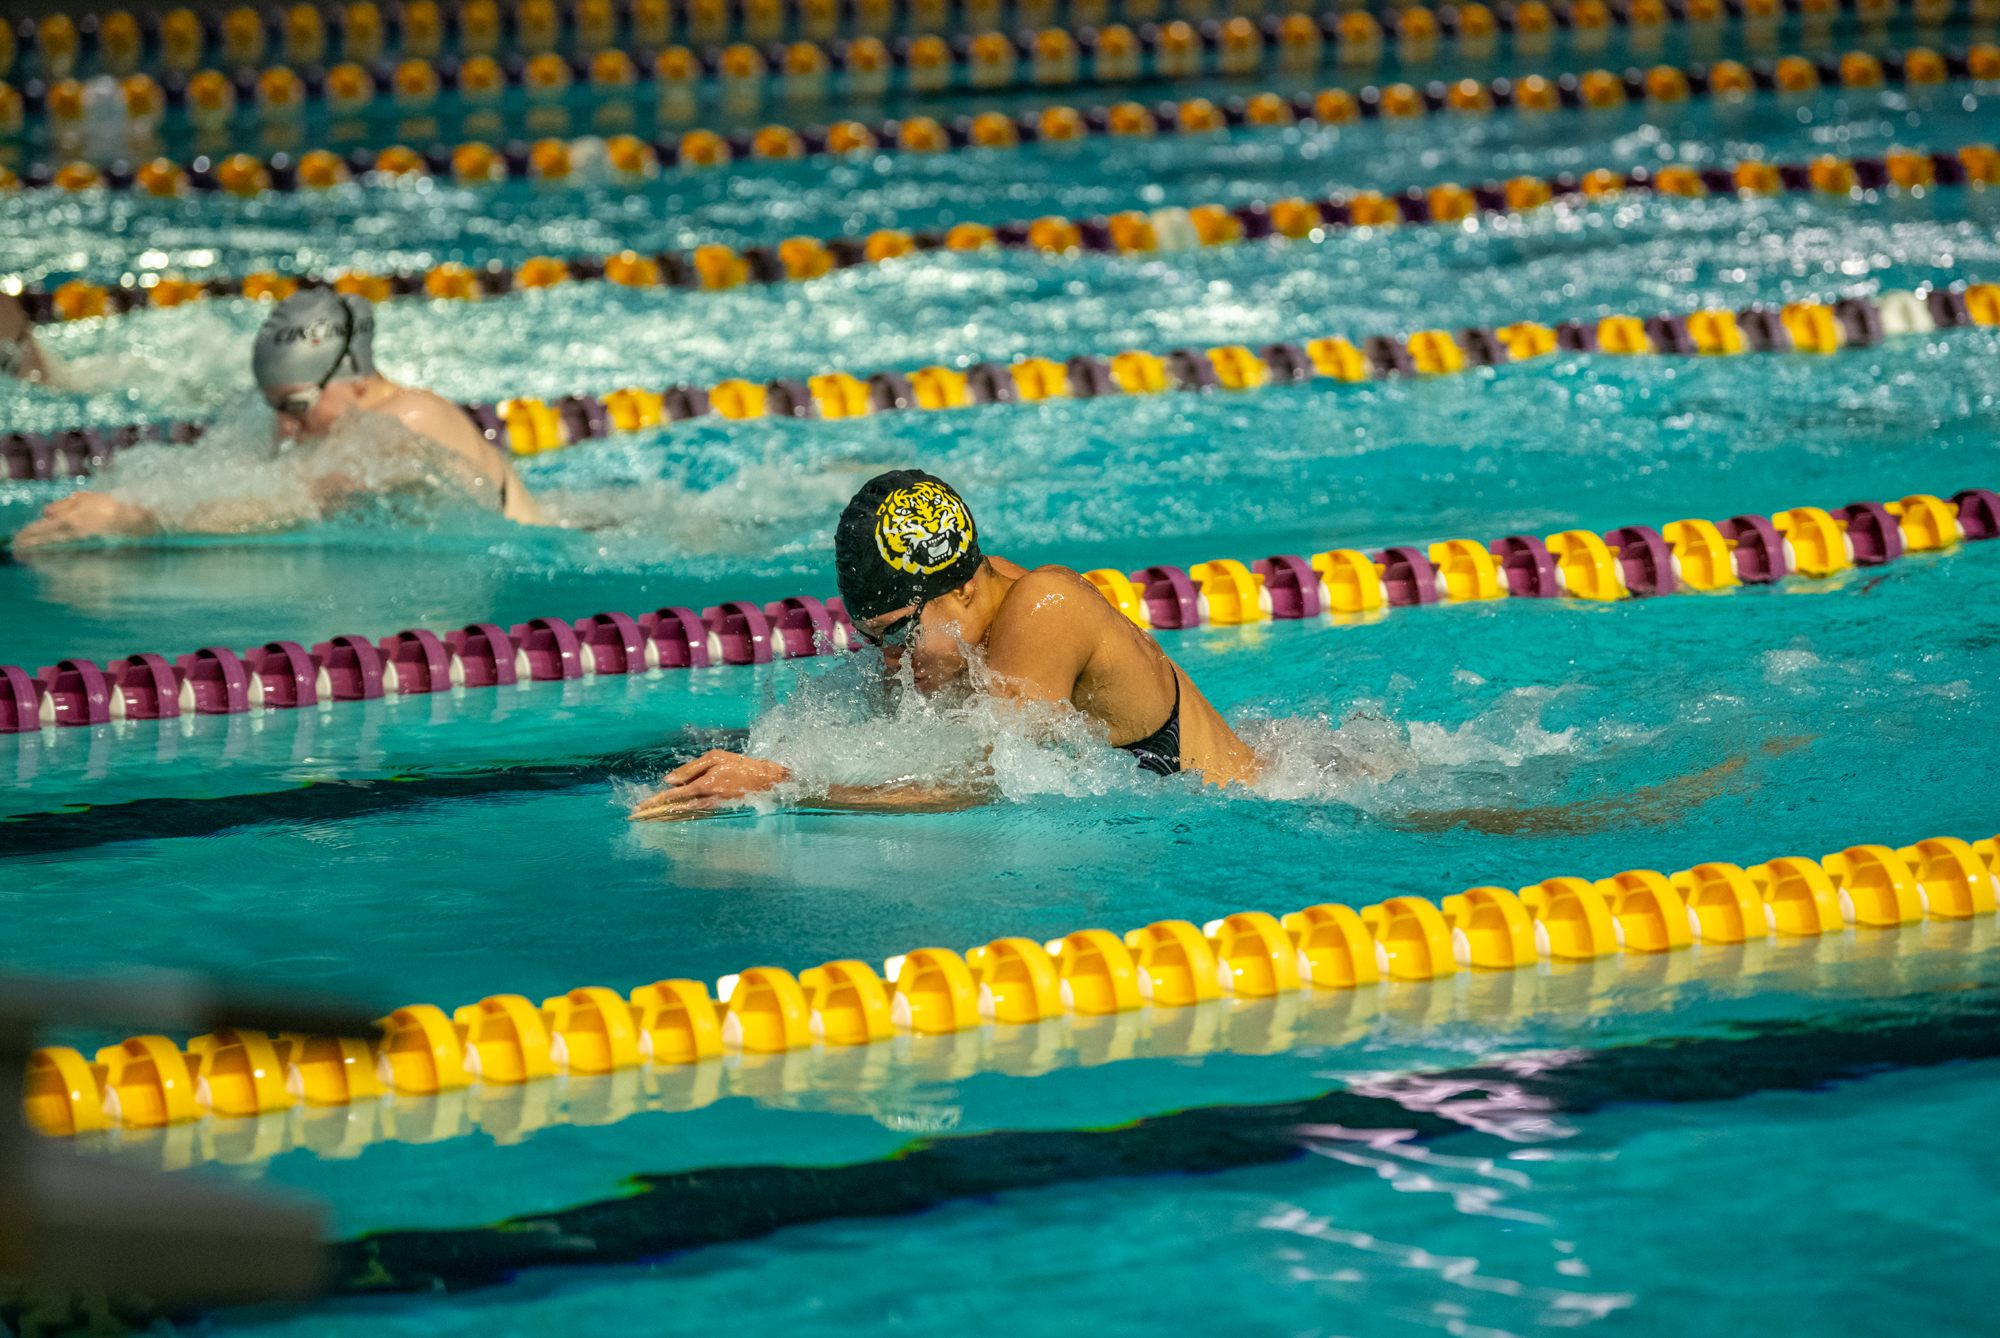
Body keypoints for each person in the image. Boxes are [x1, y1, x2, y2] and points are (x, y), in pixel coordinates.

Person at [632, 470, 1261, 820]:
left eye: (902, 634)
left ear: (959, 593)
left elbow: (995, 784)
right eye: (873, 640)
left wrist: (783, 785)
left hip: (1244, 811)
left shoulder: (1046, 607)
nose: (890, 663)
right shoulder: (964, 609)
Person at [10, 287, 544, 549]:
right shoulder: (326, 417)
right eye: (275, 409)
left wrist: (135, 518)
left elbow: (296, 499)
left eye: (297, 409)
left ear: (355, 379)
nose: (285, 430)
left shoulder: (410, 418)